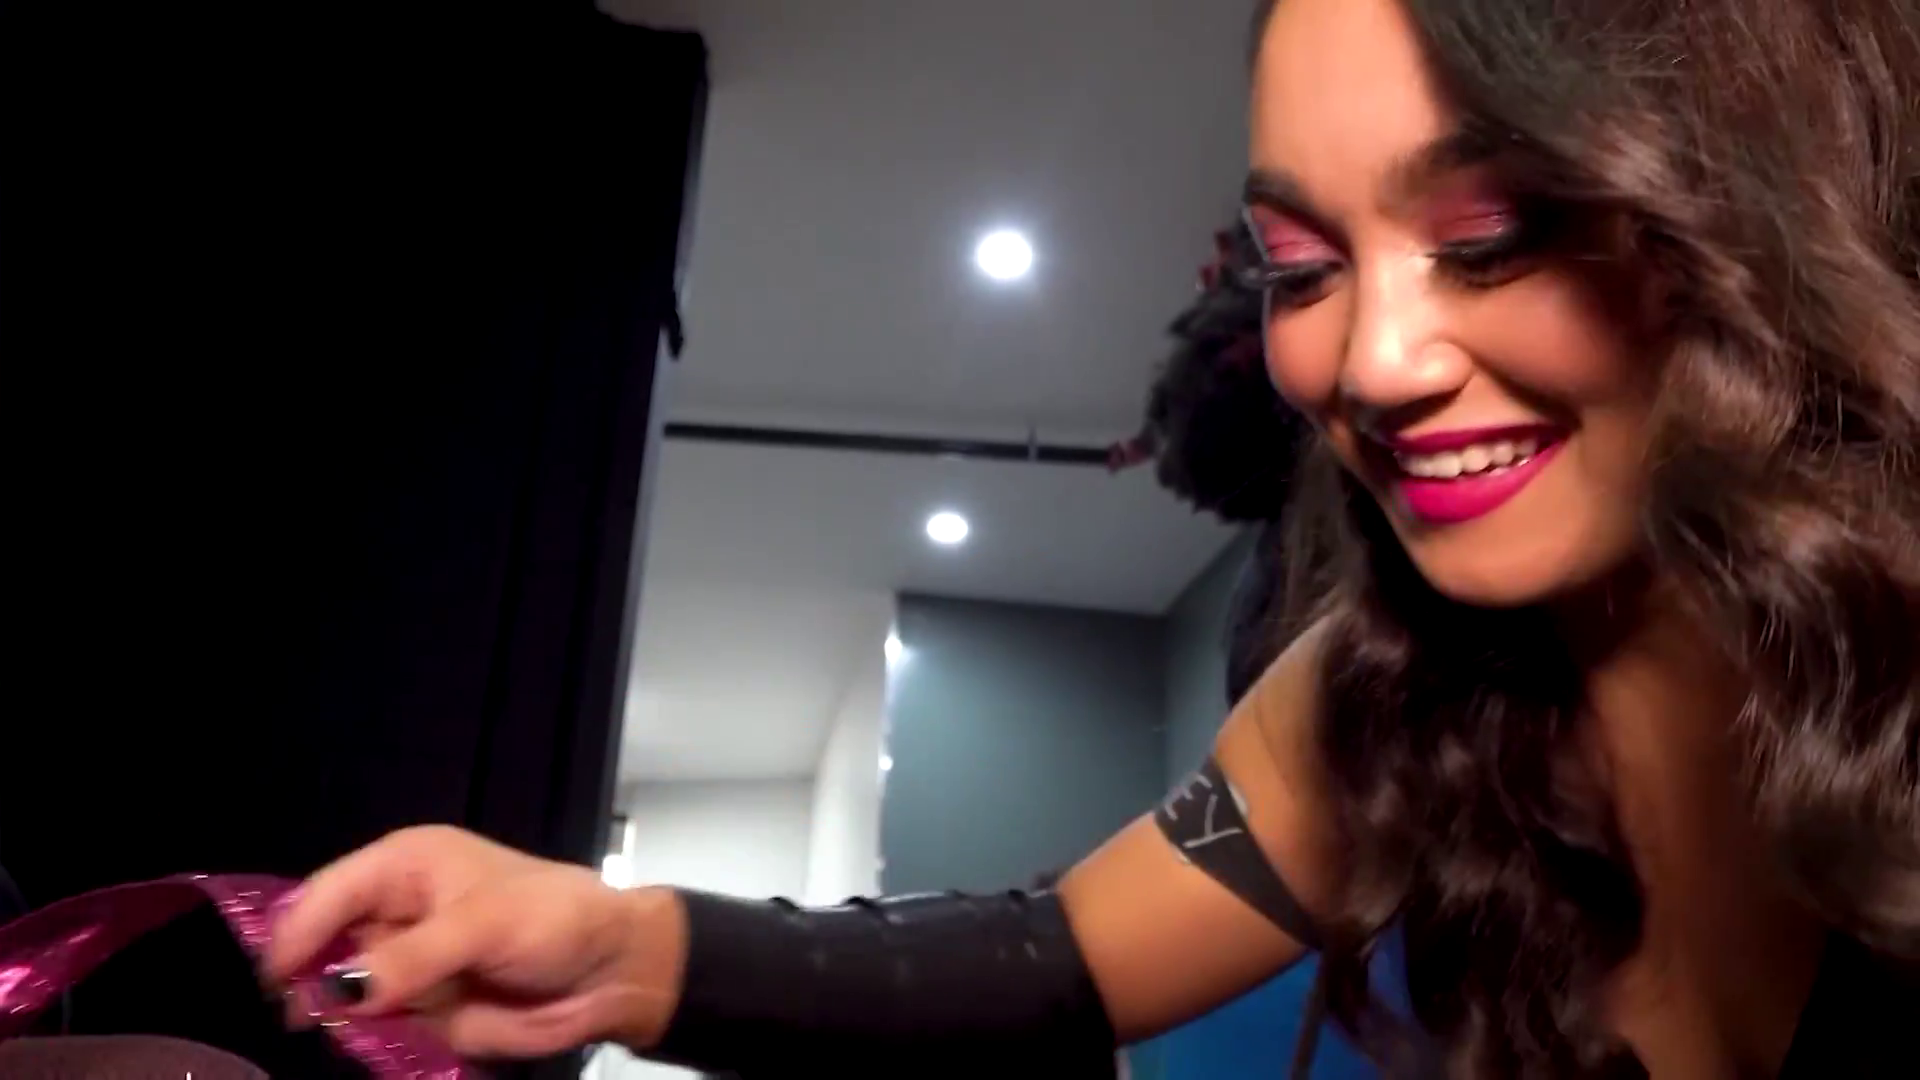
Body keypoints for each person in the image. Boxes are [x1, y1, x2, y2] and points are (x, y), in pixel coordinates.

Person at [265, 0, 1920, 1076]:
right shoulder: (1387, 697)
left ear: (1759, 205)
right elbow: (1062, 955)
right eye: (1302, 267)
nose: (1374, 360)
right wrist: (616, 950)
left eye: (1494, 235)